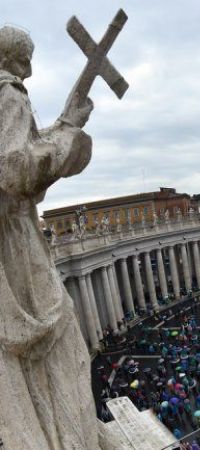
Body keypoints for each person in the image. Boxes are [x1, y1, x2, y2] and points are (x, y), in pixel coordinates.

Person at [0, 25, 99, 449]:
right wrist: (66, 138)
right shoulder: (8, 94)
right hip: (15, 238)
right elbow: (15, 169)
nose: (31, 71)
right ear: (8, 60)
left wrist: (64, 122)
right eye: (25, 61)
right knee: (63, 342)